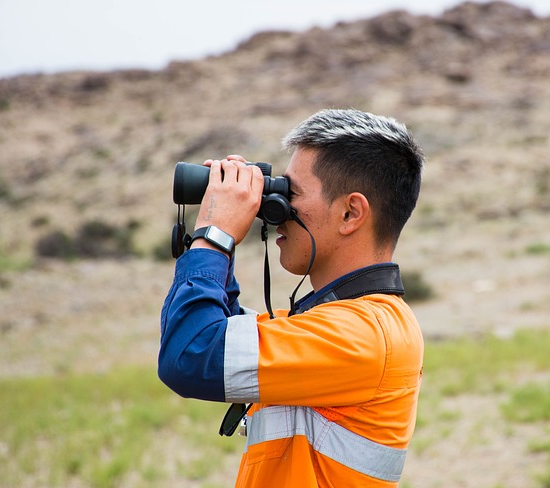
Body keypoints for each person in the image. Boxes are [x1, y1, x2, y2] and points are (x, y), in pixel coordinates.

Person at [159, 108, 425, 487]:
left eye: (291, 193)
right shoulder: (337, 323)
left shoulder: (362, 335)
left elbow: (189, 356)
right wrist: (226, 234)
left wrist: (214, 235)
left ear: (350, 213)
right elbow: (218, 332)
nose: (279, 213)